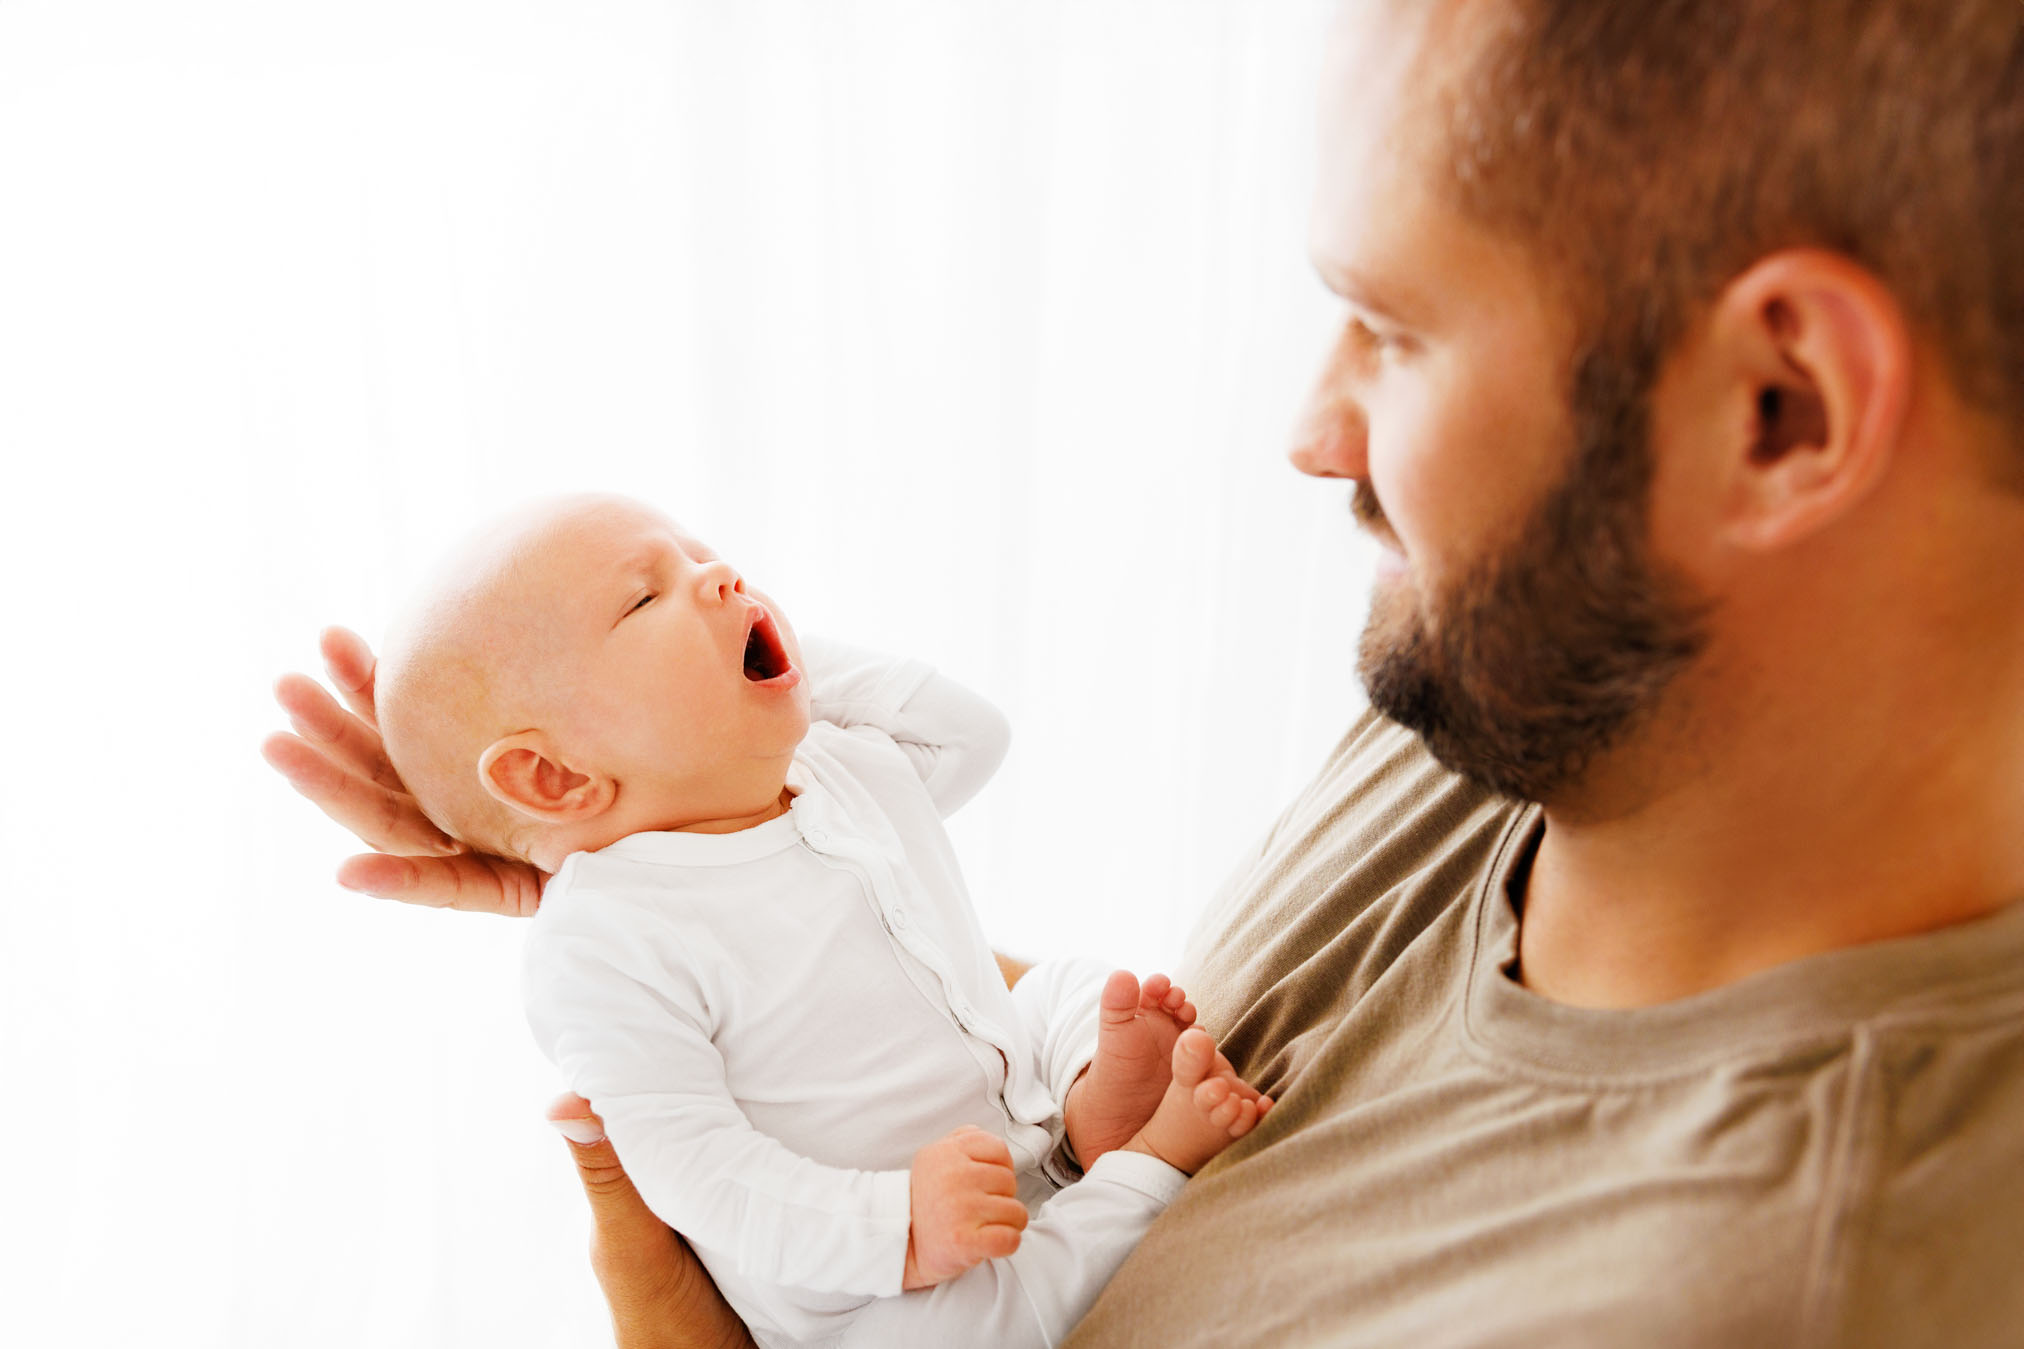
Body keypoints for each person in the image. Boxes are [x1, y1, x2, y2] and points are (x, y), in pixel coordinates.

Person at [268, 0, 2024, 1342]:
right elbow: (998, 1005)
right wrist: (698, 877)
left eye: (1394, 331)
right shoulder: (1542, 686)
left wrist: (675, 1304)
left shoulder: (1770, 1280)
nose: (1309, 434)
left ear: (1775, 412)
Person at [353, 493, 1270, 1349]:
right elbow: (700, 1171)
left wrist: (757, 658)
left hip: (1004, 1109)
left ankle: (1087, 1111)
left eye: (700, 555)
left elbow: (970, 734)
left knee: (1068, 990)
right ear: (552, 777)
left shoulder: (837, 765)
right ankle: (1147, 1165)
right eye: (644, 597)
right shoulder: (602, 942)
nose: (721, 576)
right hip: (871, 1281)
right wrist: (899, 1225)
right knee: (985, 1323)